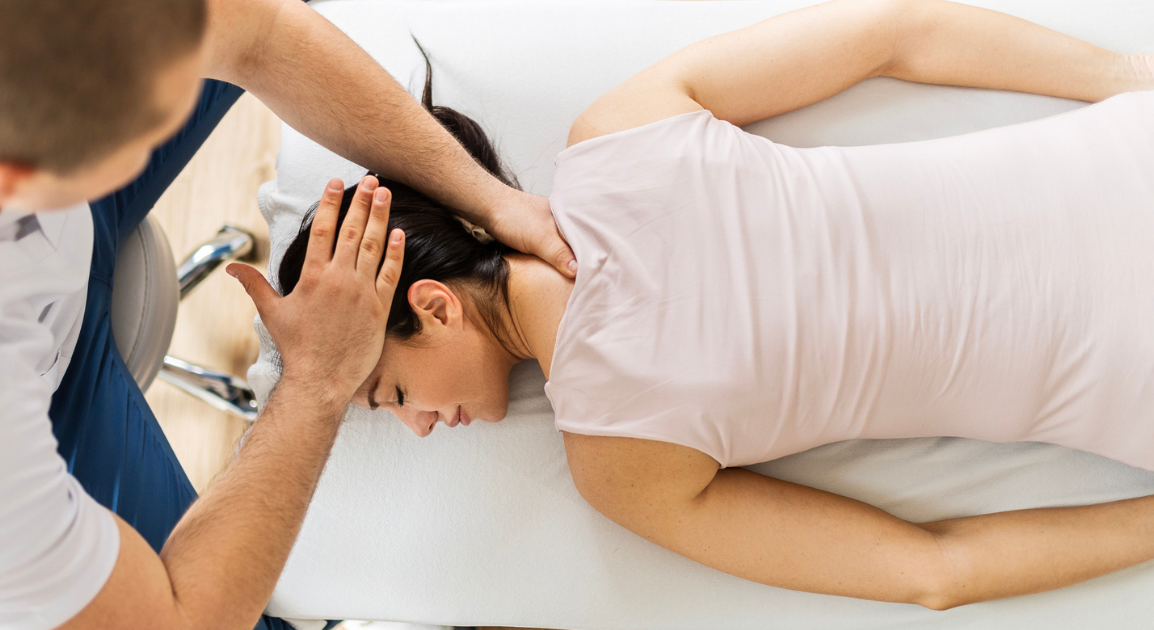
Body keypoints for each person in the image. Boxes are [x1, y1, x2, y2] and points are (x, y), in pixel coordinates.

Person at [275, 0, 1154, 611]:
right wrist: (1128, 79)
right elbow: (901, 32)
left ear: (431, 306)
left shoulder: (623, 469)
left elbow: (936, 571)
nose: (422, 427)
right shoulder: (618, 134)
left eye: (392, 395)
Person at [0, 1, 575, 629]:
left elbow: (260, 36)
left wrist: (492, 202)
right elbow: (184, 621)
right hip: (46, 396)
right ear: (6, 182)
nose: (414, 425)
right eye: (132, 137)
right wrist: (317, 378)